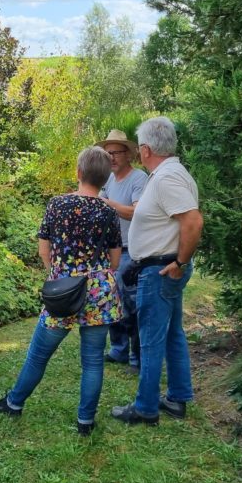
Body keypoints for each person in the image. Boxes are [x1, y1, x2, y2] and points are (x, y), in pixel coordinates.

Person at [0, 146, 123, 436]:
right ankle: (85, 421)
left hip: (64, 290)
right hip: (99, 291)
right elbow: (115, 260)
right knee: (93, 360)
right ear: (105, 179)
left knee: (38, 355)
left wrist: (58, 272)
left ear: (78, 172)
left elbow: (43, 249)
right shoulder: (108, 212)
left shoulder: (57, 205)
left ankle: (14, 403)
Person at [111, 116, 203, 426]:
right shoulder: (170, 173)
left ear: (147, 149)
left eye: (138, 148)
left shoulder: (166, 178)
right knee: (173, 334)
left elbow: (193, 221)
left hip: (160, 269)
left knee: (150, 339)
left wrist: (179, 263)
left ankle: (146, 407)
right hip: (163, 267)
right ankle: (177, 397)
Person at [96, 129, 149, 372]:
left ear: (128, 154)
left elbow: (135, 211)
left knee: (131, 305)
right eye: (107, 154)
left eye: (116, 152)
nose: (111, 158)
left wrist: (108, 204)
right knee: (111, 302)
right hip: (111, 250)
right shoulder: (107, 180)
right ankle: (118, 350)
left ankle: (136, 358)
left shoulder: (139, 179)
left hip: (132, 249)